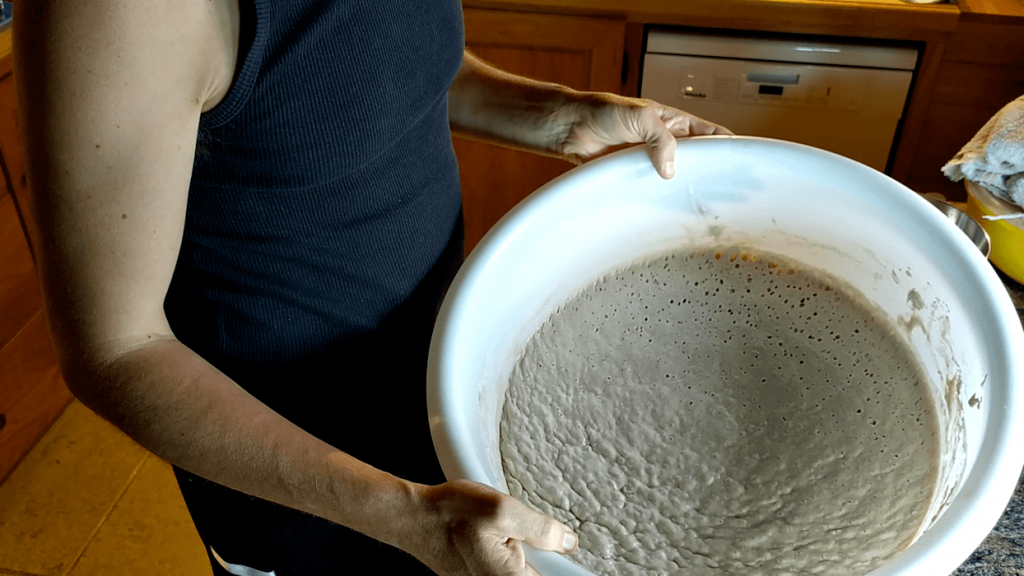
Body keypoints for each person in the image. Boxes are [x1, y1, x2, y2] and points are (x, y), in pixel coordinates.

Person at [14, 1, 730, 574]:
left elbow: (384, 67)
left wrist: (560, 114)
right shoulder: (122, 12)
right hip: (304, 473)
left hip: (435, 391)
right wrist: (407, 516)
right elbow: (113, 349)